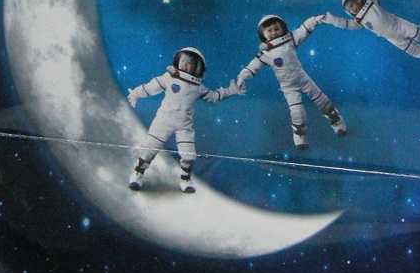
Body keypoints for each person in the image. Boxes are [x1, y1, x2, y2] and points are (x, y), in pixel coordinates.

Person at [126, 48, 242, 193]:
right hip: (163, 120)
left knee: (188, 155)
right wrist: (136, 94)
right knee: (149, 149)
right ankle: (138, 173)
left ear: (197, 67)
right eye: (183, 61)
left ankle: (185, 179)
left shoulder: (198, 87)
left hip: (184, 125)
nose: (185, 65)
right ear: (177, 61)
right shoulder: (168, 78)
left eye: (190, 63)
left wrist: (231, 91)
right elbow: (151, 87)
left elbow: (213, 97)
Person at [236, 14, 346, 150]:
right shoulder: (266, 54)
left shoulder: (290, 40)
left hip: (304, 80)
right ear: (262, 34)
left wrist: (315, 20)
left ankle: (336, 122)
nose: (274, 33)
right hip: (289, 88)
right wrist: (242, 77)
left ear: (283, 29)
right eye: (269, 30)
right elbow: (252, 66)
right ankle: (299, 135)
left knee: (323, 102)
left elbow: (303, 30)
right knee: (297, 113)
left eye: (277, 29)